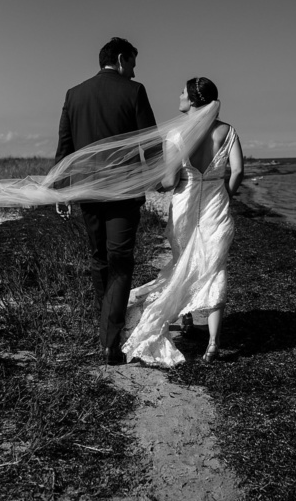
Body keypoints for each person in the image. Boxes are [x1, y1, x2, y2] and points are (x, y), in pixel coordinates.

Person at [121, 78, 242, 366]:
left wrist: (158, 184)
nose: (179, 96)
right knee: (214, 269)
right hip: (216, 207)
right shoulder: (228, 131)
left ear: (193, 101)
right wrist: (227, 193)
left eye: (183, 93)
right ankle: (213, 343)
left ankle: (186, 320)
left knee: (181, 264)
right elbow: (237, 171)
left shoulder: (175, 133)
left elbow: (171, 180)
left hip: (185, 207)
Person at [56, 37, 156, 365]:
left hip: (86, 191)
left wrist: (62, 189)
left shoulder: (74, 94)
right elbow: (151, 142)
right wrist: (160, 177)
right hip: (123, 191)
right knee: (121, 260)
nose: (134, 70)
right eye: (133, 63)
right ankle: (110, 340)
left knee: (100, 258)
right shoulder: (134, 91)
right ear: (120, 58)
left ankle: (107, 330)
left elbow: (65, 147)